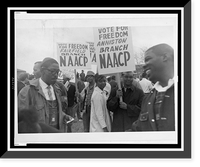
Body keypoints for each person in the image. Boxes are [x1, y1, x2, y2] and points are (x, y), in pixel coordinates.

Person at [18, 57, 72, 132]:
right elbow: (23, 121)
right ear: (42, 71)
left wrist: (63, 116)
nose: (56, 75)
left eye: (57, 72)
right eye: (52, 71)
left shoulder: (57, 90)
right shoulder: (27, 91)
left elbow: (54, 110)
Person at [132, 43, 175, 131]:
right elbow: (138, 129)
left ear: (165, 57)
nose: (144, 65)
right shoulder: (148, 98)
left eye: (148, 59)